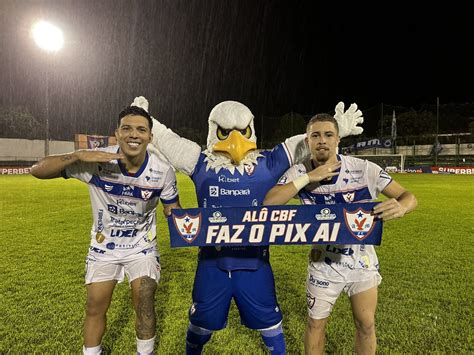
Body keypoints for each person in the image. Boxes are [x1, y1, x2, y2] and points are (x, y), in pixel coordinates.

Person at [131, 96, 364, 354]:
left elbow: (306, 142)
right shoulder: (200, 163)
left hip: (255, 265)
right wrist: (145, 119)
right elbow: (168, 140)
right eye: (225, 131)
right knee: (200, 326)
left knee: (271, 327)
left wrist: (337, 128)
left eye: (242, 131)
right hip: (212, 266)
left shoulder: (267, 164)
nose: (235, 140)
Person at [31, 103, 180, 355]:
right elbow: (38, 170)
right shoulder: (97, 161)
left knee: (145, 303)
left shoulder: (163, 171)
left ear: (150, 137)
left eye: (141, 130)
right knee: (94, 306)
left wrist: (203, 225)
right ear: (117, 133)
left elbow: (173, 210)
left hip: (141, 247)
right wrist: (78, 155)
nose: (134, 134)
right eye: (127, 128)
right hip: (103, 247)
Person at [263, 113, 417, 355]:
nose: (322, 140)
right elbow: (268, 204)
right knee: (315, 324)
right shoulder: (299, 172)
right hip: (323, 263)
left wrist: (402, 206)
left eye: (328, 135)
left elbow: (408, 197)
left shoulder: (364, 169)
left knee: (365, 324)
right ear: (308, 141)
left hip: (362, 261)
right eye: (316, 135)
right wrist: (308, 178)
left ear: (338, 140)